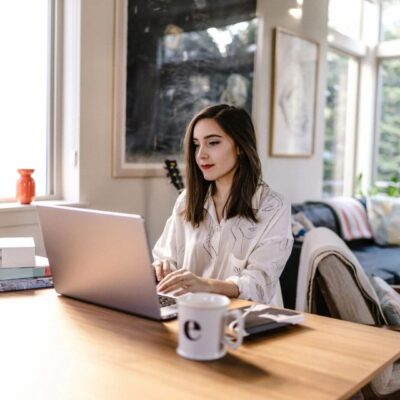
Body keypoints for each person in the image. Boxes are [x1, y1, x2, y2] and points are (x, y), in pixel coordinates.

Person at [153, 104, 293, 304]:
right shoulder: (186, 200)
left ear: (240, 146)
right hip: (188, 315)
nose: (201, 154)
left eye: (213, 143)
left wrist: (205, 285)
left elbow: (259, 283)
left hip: (248, 321)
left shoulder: (274, 207)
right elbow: (165, 255)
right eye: (196, 144)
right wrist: (163, 265)